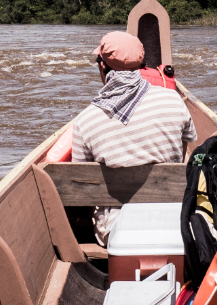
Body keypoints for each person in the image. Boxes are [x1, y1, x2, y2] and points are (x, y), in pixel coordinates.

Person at [62, 29, 195, 242]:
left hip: (115, 231)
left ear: (102, 66)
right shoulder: (173, 100)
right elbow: (182, 155)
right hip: (173, 221)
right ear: (142, 66)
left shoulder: (85, 120)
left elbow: (82, 185)